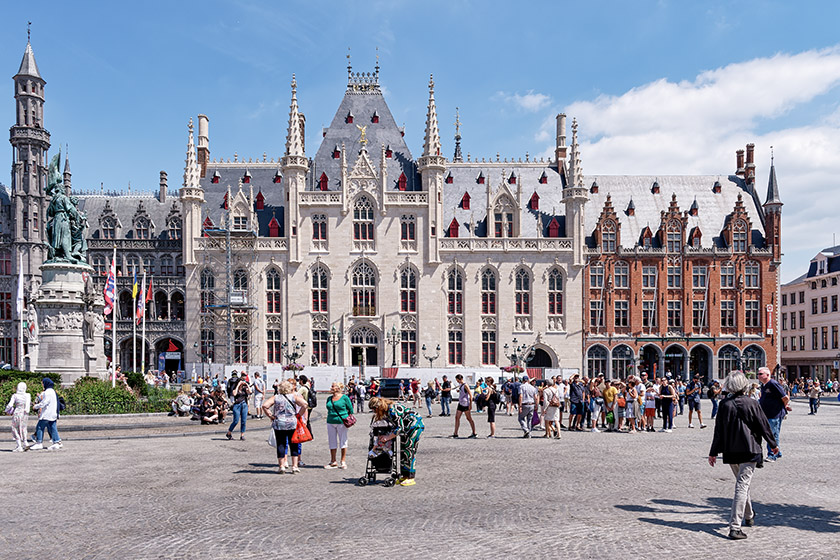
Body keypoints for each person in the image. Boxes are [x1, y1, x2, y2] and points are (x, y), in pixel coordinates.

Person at [708, 370, 779, 540]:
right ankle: (735, 526)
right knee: (742, 485)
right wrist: (773, 444)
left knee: (742, 484)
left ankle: (749, 515)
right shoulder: (752, 403)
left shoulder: (725, 405)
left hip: (731, 450)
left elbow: (719, 431)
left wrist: (713, 452)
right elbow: (763, 425)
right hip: (750, 449)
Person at [368, 397, 424, 486]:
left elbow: (399, 428)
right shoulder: (388, 409)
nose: (374, 412)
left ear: (378, 408)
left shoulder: (392, 410)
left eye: (374, 410)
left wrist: (387, 438)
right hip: (406, 429)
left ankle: (410, 477)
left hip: (414, 427)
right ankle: (405, 476)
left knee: (409, 451)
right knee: (403, 452)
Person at [263, 381, 308, 474]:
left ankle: (281, 466)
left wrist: (271, 415)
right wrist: (299, 415)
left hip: (279, 423)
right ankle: (295, 466)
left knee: (281, 444)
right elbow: (305, 404)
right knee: (294, 444)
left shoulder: (276, 397)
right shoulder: (294, 397)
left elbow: (265, 405)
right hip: (292, 422)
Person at [757, 367, 789, 462]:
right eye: (758, 374)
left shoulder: (773, 384)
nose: (758, 376)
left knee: (772, 434)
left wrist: (784, 406)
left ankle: (772, 455)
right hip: (767, 413)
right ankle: (777, 452)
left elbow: (785, 397)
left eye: (760, 374)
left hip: (775, 413)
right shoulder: (764, 385)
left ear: (767, 375)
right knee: (774, 434)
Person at [324, 382, 354, 469]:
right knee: (332, 441)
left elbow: (351, 409)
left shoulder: (345, 398)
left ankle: (343, 460)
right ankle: (333, 461)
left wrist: (347, 417)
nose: (331, 388)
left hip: (342, 421)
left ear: (338, 388)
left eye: (333, 386)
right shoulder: (329, 398)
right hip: (330, 421)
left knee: (343, 440)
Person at [31, 378, 62, 450]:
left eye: (43, 383)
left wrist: (36, 406)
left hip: (47, 413)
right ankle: (56, 442)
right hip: (53, 413)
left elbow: (44, 402)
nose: (42, 384)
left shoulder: (47, 392)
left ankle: (39, 443)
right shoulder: (53, 391)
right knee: (53, 427)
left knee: (39, 427)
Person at [5, 382, 31, 452]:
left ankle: (19, 445)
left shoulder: (15, 396)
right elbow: (28, 405)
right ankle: (25, 442)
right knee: (23, 428)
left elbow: (10, 405)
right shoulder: (28, 395)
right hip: (25, 413)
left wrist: (6, 410)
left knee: (15, 428)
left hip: (17, 412)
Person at [226, 374, 251, 440]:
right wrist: (238, 385)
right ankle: (229, 432)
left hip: (244, 405)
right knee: (236, 421)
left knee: (243, 421)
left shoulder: (245, 389)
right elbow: (234, 394)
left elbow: (250, 392)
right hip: (237, 405)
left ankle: (242, 435)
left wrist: (246, 385)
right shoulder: (235, 388)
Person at [452, 374, 477, 438]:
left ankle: (474, 432)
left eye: (457, 380)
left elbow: (471, 396)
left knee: (469, 418)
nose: (457, 381)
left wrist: (470, 405)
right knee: (457, 417)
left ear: (459, 379)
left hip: (465, 404)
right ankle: (455, 433)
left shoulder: (465, 385)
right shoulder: (460, 385)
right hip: (460, 403)